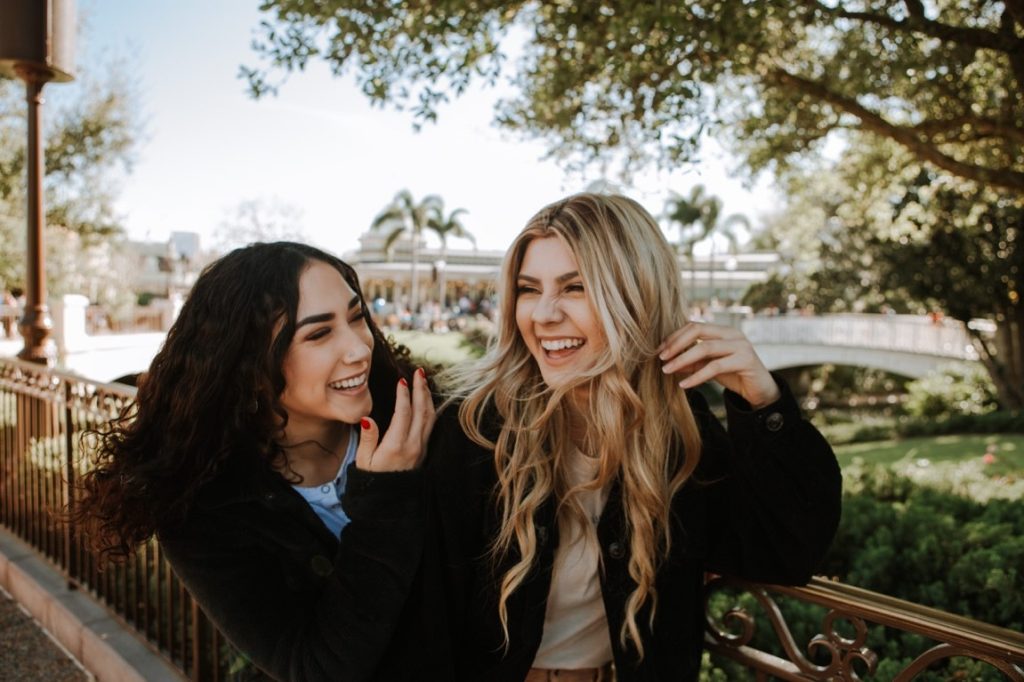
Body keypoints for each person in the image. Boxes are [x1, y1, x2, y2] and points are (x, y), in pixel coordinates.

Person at [431, 193, 842, 682]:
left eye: (575, 287)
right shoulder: (475, 429)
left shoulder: (678, 429)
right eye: (528, 288)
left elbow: (786, 552)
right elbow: (426, 610)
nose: (543, 315)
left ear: (635, 295)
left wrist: (765, 404)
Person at [73, 242, 436, 681]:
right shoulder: (203, 512)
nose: (360, 347)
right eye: (319, 334)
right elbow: (315, 667)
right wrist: (387, 496)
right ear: (249, 360)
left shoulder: (422, 420)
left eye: (356, 317)